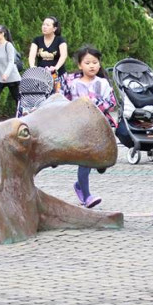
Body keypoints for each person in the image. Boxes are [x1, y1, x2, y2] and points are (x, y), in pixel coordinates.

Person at [62, 46, 116, 208]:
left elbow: (111, 102)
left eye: (95, 62)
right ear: (80, 65)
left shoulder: (103, 83)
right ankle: (86, 196)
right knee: (85, 160)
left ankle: (80, 185)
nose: (92, 65)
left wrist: (92, 105)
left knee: (100, 161)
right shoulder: (72, 84)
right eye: (87, 62)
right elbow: (65, 102)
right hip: (81, 128)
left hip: (100, 127)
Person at [0, 25, 21, 120]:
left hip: (11, 77)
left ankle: (22, 115)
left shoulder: (8, 46)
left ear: (2, 34)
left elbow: (11, 62)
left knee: (17, 98)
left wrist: (6, 74)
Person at [29, 16, 68, 90]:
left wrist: (56, 67)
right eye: (43, 24)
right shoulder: (37, 40)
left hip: (58, 75)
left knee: (58, 98)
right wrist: (32, 67)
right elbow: (31, 56)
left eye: (47, 25)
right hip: (41, 76)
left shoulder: (60, 40)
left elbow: (64, 55)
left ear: (54, 28)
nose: (44, 27)